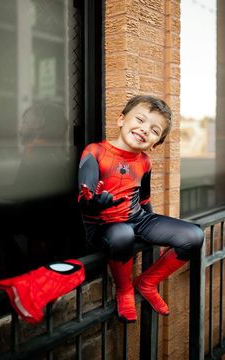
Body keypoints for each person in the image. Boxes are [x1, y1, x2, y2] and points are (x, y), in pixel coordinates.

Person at [77, 95, 204, 323]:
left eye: (155, 130)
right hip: (103, 225)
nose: (145, 130)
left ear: (155, 144)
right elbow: (84, 199)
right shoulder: (95, 152)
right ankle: (124, 290)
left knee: (193, 235)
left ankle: (147, 282)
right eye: (140, 120)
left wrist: (155, 228)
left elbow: (143, 199)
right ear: (121, 119)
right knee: (123, 233)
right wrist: (95, 202)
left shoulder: (145, 161)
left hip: (136, 219)